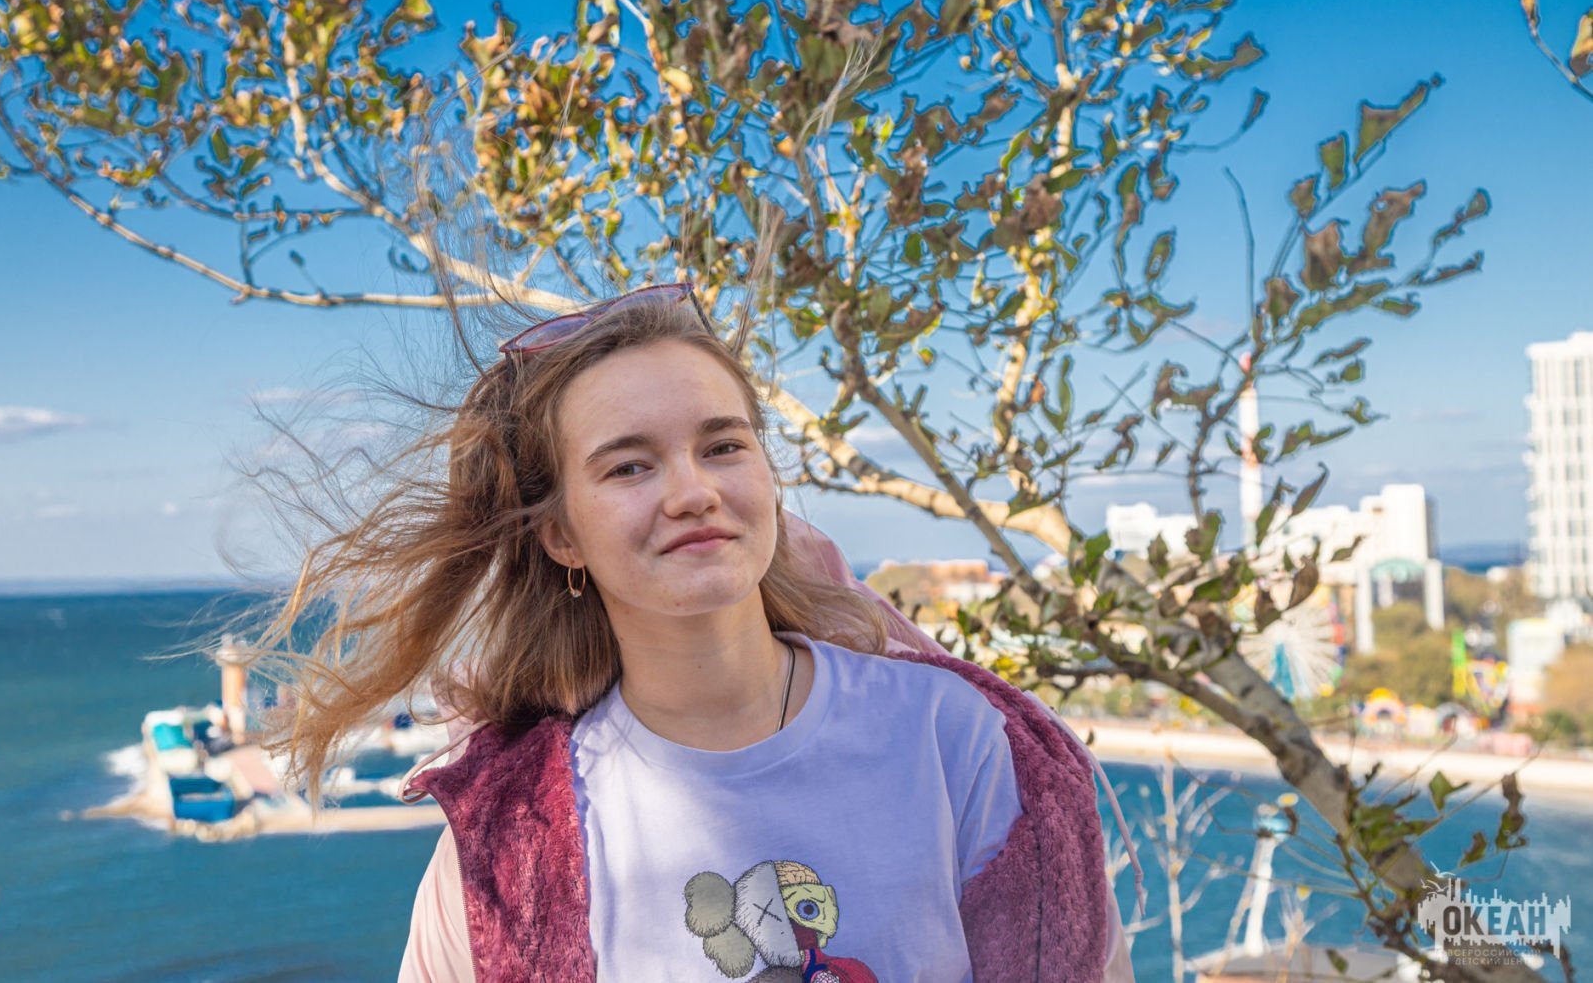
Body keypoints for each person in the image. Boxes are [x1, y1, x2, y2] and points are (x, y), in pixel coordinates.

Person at [266, 284, 1135, 981]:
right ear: (561, 533)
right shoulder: (511, 849)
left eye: (723, 446)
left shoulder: (959, 742)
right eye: (629, 465)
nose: (692, 492)